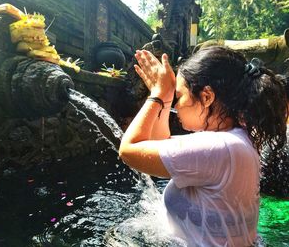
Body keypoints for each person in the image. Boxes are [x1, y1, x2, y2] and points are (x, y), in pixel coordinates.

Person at [119, 46, 287, 247]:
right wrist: (164, 98)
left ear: (206, 97)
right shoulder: (234, 140)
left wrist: (157, 95)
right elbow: (159, 144)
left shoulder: (219, 147)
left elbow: (129, 151)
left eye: (178, 96)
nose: (176, 106)